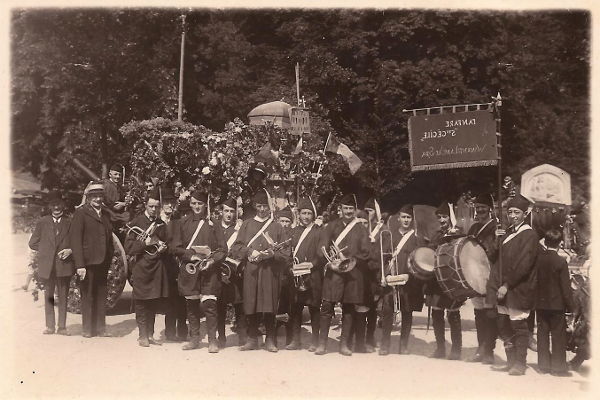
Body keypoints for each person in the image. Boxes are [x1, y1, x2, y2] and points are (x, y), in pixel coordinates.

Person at [231, 190, 291, 352]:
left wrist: (272, 254)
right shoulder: (247, 224)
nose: (262, 209)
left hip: (270, 272)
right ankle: (252, 339)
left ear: (269, 207)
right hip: (251, 271)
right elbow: (236, 247)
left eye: (265, 206)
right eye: (259, 206)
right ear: (254, 206)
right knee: (251, 303)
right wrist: (250, 252)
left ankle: (270, 339)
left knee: (269, 304)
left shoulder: (277, 226)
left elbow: (286, 252)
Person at [486, 194, 539, 376]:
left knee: (518, 325)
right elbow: (492, 258)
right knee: (503, 324)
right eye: (510, 212)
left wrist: (507, 285)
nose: (513, 215)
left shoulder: (529, 235)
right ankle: (510, 361)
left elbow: (524, 265)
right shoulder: (506, 232)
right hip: (501, 287)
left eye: (516, 212)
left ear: (524, 214)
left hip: (517, 288)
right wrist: (496, 239)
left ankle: (520, 363)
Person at [315, 193, 370, 356]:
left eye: (351, 208)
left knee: (349, 308)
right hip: (334, 272)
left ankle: (344, 345)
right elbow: (321, 247)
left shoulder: (361, 228)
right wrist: (331, 261)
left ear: (355, 210)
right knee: (326, 307)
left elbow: (366, 252)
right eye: (345, 208)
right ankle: (322, 344)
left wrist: (351, 260)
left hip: (353, 273)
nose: (348, 211)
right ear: (340, 209)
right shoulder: (331, 226)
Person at [173, 190, 226, 352]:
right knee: (192, 306)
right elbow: (175, 247)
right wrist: (191, 256)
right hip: (190, 270)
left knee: (210, 306)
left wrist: (211, 260)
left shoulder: (214, 224)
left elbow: (223, 249)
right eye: (194, 203)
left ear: (205, 205)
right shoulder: (183, 222)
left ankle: (212, 341)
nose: (197, 206)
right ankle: (194, 339)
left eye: (200, 204)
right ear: (190, 204)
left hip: (209, 271)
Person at [371, 204, 426, 355]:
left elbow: (420, 261)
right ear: (399, 218)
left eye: (409, 217)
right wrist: (382, 276)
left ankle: (403, 345)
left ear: (412, 219)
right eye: (403, 217)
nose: (406, 220)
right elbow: (381, 258)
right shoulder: (389, 235)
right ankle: (385, 345)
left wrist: (411, 276)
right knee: (387, 311)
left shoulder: (417, 239)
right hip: (391, 279)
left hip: (408, 281)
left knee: (407, 312)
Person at [125, 190, 170, 347]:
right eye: (151, 206)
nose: (153, 210)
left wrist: (164, 247)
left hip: (156, 267)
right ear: (145, 205)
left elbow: (167, 243)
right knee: (141, 302)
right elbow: (129, 248)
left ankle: (150, 334)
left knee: (152, 302)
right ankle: (142, 335)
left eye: (156, 207)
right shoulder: (136, 222)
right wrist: (146, 243)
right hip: (141, 268)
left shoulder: (161, 224)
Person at [70, 181, 114, 338]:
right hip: (87, 263)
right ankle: (87, 329)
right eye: (94, 196)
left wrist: (109, 257)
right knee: (87, 295)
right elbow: (75, 240)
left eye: (100, 196)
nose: (97, 199)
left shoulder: (106, 214)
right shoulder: (81, 213)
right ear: (88, 198)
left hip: (102, 261)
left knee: (101, 294)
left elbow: (109, 238)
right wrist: (79, 265)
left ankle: (101, 328)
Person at [28, 191, 74, 335]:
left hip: (64, 265)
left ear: (63, 206)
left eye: (59, 204)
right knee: (49, 296)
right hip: (47, 266)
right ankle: (49, 326)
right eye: (53, 205)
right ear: (49, 206)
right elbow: (32, 243)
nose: (56, 208)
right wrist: (46, 251)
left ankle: (62, 327)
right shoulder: (43, 222)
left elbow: (75, 243)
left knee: (63, 296)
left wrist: (70, 250)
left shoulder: (69, 222)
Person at [426, 202, 464, 360]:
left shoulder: (458, 233)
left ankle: (456, 349)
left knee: (453, 313)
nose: (442, 220)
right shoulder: (436, 234)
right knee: (436, 312)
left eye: (444, 216)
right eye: (439, 217)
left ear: (450, 217)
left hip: (452, 279)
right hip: (436, 280)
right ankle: (440, 348)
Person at [535, 229, 574, 376]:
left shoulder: (538, 260)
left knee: (542, 334)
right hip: (557, 305)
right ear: (560, 243)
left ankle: (543, 366)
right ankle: (558, 368)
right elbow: (565, 287)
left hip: (540, 303)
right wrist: (571, 307)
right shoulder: (561, 262)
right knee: (558, 335)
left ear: (545, 242)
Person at [286, 197, 323, 351]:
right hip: (296, 276)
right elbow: (288, 252)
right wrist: (290, 266)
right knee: (295, 308)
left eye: (309, 213)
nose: (306, 217)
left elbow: (323, 253)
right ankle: (295, 340)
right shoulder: (293, 231)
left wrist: (313, 263)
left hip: (313, 275)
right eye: (303, 213)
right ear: (298, 214)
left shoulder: (318, 231)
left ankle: (315, 341)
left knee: (314, 308)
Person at [467, 194, 499, 364]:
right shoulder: (472, 229)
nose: (480, 211)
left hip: (489, 276)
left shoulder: (496, 228)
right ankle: (481, 347)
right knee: (478, 313)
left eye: (483, 208)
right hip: (475, 276)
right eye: (477, 208)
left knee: (490, 313)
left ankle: (489, 350)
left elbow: (495, 253)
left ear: (490, 210)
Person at [215, 198, 247, 348]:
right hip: (219, 271)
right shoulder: (214, 227)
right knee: (219, 306)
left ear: (236, 213)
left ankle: (242, 337)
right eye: (226, 211)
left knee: (239, 305)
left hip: (235, 273)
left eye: (232, 211)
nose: (229, 214)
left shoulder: (240, 229)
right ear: (221, 212)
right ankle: (221, 337)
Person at [161, 188, 188, 342]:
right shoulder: (164, 222)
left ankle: (183, 331)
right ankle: (170, 332)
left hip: (179, 264)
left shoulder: (178, 222)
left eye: (172, 202)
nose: (170, 205)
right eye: (167, 203)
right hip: (167, 265)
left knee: (182, 299)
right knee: (170, 300)